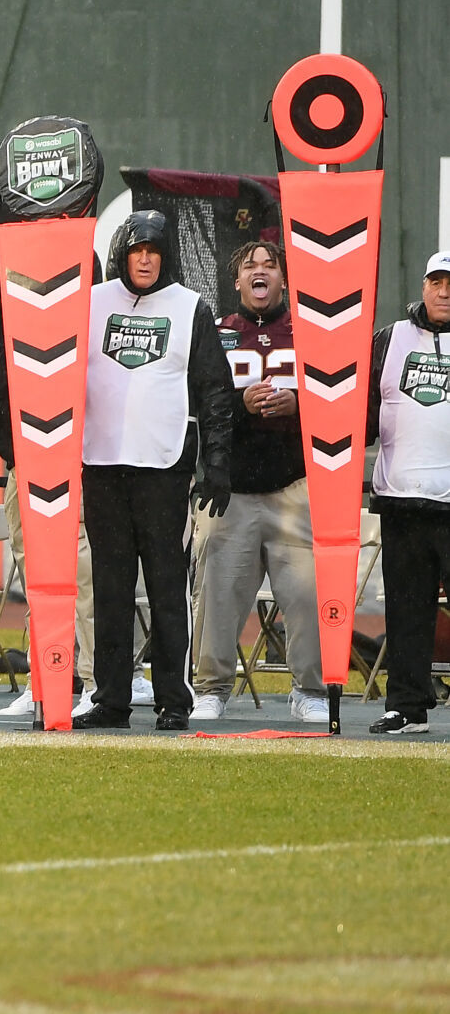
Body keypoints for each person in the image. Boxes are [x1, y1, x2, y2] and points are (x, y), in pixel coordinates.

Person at [77, 211, 235, 731]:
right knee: (111, 591)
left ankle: (174, 699)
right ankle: (111, 700)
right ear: (122, 252)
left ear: (167, 254)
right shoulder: (90, 302)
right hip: (100, 467)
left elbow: (215, 392)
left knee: (168, 590)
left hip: (165, 470)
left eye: (154, 249)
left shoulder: (191, 308)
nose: (144, 258)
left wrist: (216, 464)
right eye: (135, 249)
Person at [0, 230, 99, 718]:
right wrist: (20, 450)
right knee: (35, 573)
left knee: (83, 570)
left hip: (73, 460)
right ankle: (44, 677)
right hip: (23, 466)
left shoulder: (47, 313)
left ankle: (98, 682)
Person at [190, 240, 326, 723]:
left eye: (270, 264)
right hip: (233, 489)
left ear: (284, 280)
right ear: (237, 282)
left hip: (293, 484)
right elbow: (197, 400)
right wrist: (239, 405)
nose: (260, 271)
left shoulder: (309, 331)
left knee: (306, 595)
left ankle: (309, 689)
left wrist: (298, 406)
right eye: (250, 265)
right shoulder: (218, 331)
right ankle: (211, 686)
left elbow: (338, 399)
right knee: (219, 595)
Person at [366, 252, 450, 734]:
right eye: (436, 282)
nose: (443, 292)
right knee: (406, 611)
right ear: (422, 287)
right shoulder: (389, 339)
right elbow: (360, 414)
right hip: (401, 500)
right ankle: (406, 707)